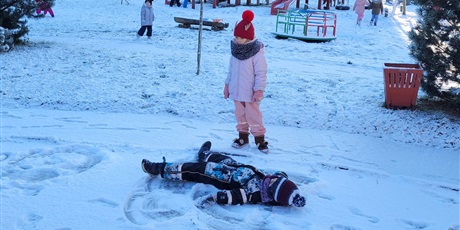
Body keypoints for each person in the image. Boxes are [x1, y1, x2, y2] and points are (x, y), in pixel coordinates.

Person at [141, 141, 306, 207]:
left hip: (218, 175)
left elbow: (234, 196)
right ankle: (204, 154)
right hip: (235, 166)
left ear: (272, 192)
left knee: (191, 169)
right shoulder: (271, 181)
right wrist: (282, 178)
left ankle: (157, 168)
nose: (272, 179)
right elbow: (281, 176)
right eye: (275, 179)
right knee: (222, 157)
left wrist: (214, 198)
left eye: (273, 183)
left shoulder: (254, 194)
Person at [223, 10, 269, 153]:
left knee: (253, 116)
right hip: (236, 91)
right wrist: (227, 85)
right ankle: (243, 137)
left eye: (240, 37)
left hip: (250, 93)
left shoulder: (257, 55)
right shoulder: (235, 53)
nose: (237, 40)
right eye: (235, 36)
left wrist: (259, 89)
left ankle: (260, 140)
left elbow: (261, 73)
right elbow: (231, 71)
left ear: (248, 38)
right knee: (240, 115)